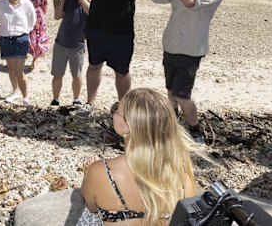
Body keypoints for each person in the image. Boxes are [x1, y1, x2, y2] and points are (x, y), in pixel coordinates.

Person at [78, 88, 198, 226]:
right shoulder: (183, 173)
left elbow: (91, 205)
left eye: (117, 109)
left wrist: (88, 174)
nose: (114, 112)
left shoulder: (102, 171)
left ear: (127, 127)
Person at [150, 0, 226, 144]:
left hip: (192, 46)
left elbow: (192, 1)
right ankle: (172, 127)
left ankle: (195, 129)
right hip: (172, 41)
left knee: (182, 96)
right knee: (171, 92)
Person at [50, 0, 91, 106]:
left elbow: (90, 11)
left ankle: (76, 99)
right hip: (61, 44)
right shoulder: (67, 0)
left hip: (78, 45)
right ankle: (55, 99)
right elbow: (57, 16)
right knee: (57, 75)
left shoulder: (86, 0)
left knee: (77, 75)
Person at [0, 0, 37, 106]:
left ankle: (26, 97)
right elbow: (1, 21)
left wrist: (26, 31)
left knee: (19, 71)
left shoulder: (26, 3)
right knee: (11, 69)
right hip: (5, 38)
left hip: (21, 39)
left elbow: (32, 20)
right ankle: (15, 92)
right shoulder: (2, 4)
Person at [21, 0, 49, 71]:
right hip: (25, 15)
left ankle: (34, 60)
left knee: (37, 38)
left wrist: (41, 17)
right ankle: (22, 58)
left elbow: (44, 2)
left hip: (38, 15)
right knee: (25, 38)